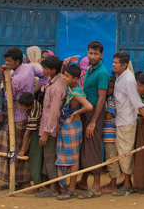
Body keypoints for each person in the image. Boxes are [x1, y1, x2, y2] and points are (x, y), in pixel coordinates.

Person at [0, 47, 34, 189]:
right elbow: (42, 77)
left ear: (17, 62)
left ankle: (24, 182)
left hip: (19, 118)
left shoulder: (17, 79)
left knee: (17, 149)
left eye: (9, 61)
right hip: (17, 117)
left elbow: (9, 97)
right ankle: (13, 180)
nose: (6, 64)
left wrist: (5, 78)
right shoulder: (28, 68)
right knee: (8, 147)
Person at [56, 63, 93, 200]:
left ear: (75, 78)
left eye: (67, 76)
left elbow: (88, 106)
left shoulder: (76, 92)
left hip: (71, 126)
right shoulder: (74, 87)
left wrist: (74, 113)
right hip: (70, 125)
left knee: (73, 158)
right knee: (68, 157)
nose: (64, 78)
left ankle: (71, 188)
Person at [79, 41, 109, 191]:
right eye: (90, 53)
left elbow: (101, 98)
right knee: (85, 146)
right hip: (86, 111)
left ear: (101, 55)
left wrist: (94, 122)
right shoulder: (90, 69)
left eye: (96, 54)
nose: (92, 56)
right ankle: (83, 180)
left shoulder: (102, 72)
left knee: (94, 147)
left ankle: (96, 184)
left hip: (95, 112)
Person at [111, 52, 141, 196]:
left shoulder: (129, 80)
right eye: (113, 62)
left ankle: (128, 183)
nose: (113, 65)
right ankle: (125, 180)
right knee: (121, 152)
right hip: (120, 120)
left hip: (127, 121)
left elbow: (136, 102)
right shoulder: (119, 77)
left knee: (126, 153)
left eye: (116, 63)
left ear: (124, 65)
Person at [36, 55, 66, 197]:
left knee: (50, 157)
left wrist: (46, 132)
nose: (43, 70)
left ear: (53, 70)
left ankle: (53, 188)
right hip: (48, 126)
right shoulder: (53, 81)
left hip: (50, 129)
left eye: (46, 68)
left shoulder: (57, 87)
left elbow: (54, 112)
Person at [97, 75, 122, 196]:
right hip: (106, 135)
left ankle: (113, 185)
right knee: (109, 158)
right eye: (108, 88)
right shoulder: (107, 99)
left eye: (112, 88)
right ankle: (112, 183)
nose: (109, 90)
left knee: (112, 159)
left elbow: (108, 115)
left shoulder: (111, 100)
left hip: (110, 134)